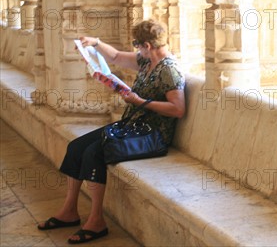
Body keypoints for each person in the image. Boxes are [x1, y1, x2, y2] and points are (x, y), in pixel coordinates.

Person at [37, 19, 185, 244]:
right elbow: (115, 56)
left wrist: (141, 102)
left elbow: (178, 109)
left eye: (136, 43)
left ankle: (97, 220)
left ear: (147, 45)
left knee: (94, 153)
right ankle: (69, 211)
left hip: (152, 136)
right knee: (76, 147)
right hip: (132, 126)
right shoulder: (147, 62)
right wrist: (94, 43)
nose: (135, 48)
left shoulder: (169, 70)